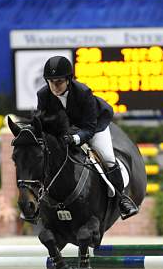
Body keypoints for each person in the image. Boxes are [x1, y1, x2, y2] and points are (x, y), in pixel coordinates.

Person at [36, 55, 139, 220]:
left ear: (68, 80)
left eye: (59, 82)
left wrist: (75, 139)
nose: (54, 86)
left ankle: (122, 200)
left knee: (107, 157)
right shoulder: (43, 95)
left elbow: (89, 128)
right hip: (66, 130)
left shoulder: (83, 92)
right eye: (51, 81)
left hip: (95, 125)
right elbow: (43, 122)